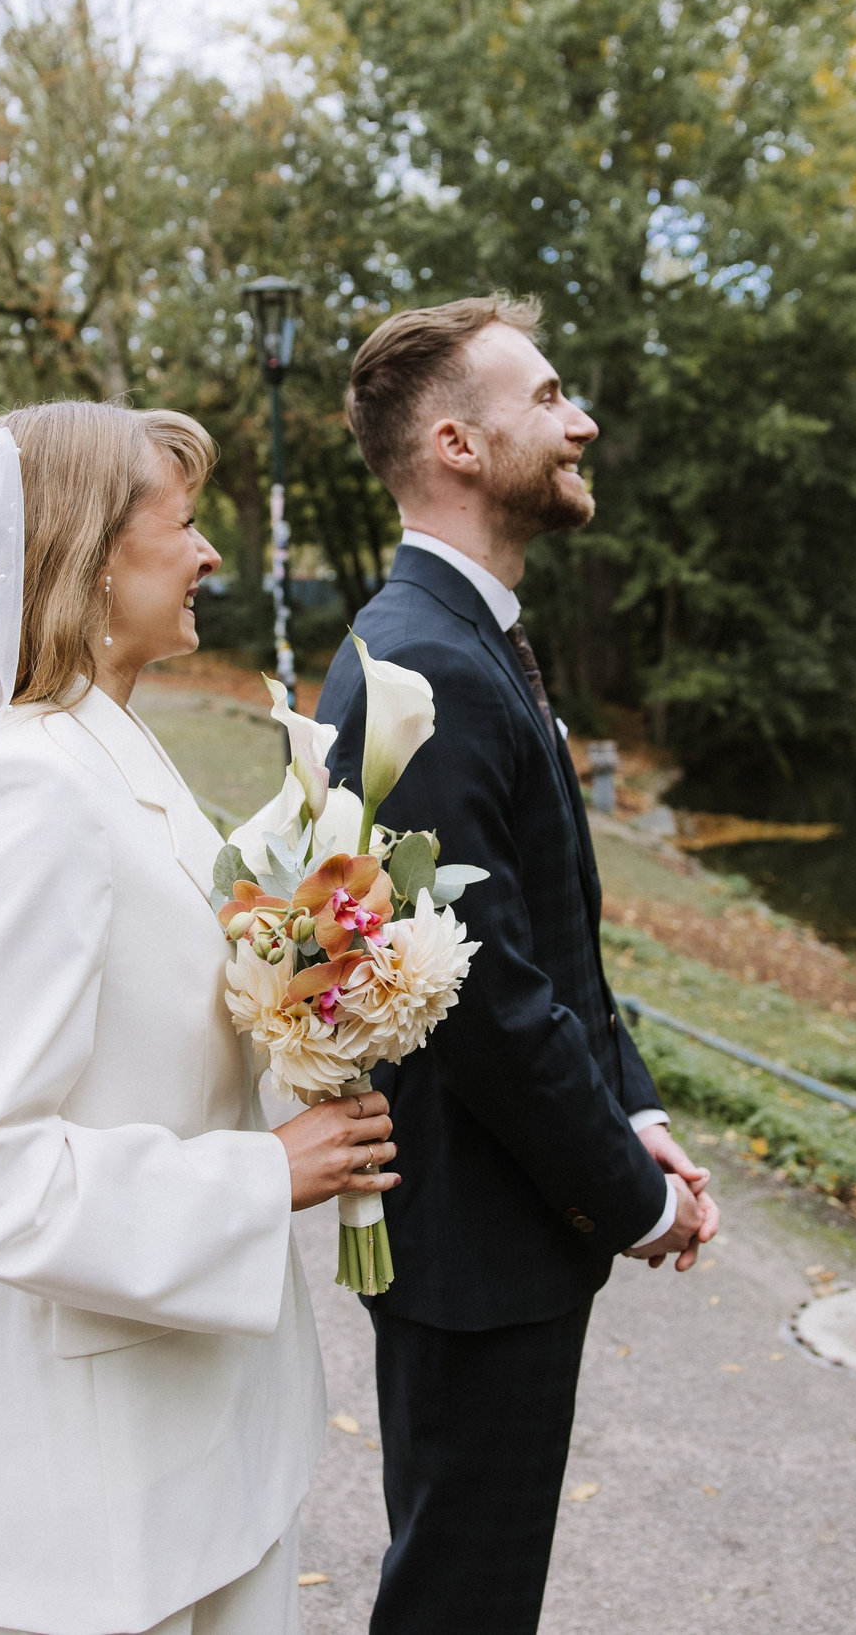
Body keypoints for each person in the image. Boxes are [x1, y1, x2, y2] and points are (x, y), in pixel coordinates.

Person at [0, 402, 397, 1635]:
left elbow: (143, 1044)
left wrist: (316, 1029)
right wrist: (258, 1177)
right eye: (182, 522)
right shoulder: (25, 784)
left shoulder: (107, 751)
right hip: (96, 1474)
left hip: (192, 1430)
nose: (209, 552)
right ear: (92, 553)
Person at [315, 295, 721, 1635]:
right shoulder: (421, 660)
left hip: (498, 1235)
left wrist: (639, 1111)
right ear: (458, 444)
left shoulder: (469, 635)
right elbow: (486, 1000)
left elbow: (554, 931)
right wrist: (630, 1195)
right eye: (548, 396)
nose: (582, 418)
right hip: (473, 1245)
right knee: (457, 1601)